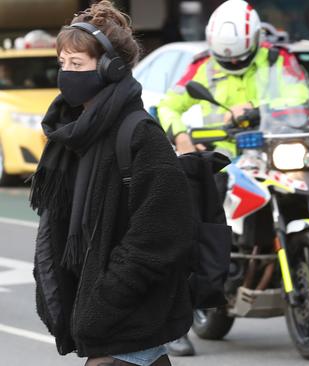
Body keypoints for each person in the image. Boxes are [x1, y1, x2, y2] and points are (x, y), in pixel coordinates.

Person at [157, 0, 309, 355]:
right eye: (227, 58)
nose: (234, 63)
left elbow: (299, 98)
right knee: (193, 227)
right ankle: (176, 320)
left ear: (254, 41)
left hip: (273, 152)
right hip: (221, 159)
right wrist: (180, 134)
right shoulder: (202, 67)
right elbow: (169, 105)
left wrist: (256, 111)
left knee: (305, 207)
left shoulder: (277, 61)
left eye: (240, 56)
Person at [30, 2, 193, 365]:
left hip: (128, 320)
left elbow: (164, 230)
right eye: (63, 65)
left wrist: (108, 297)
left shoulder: (139, 134)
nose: (66, 74)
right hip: (105, 320)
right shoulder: (74, 135)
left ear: (110, 68)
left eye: (77, 64)